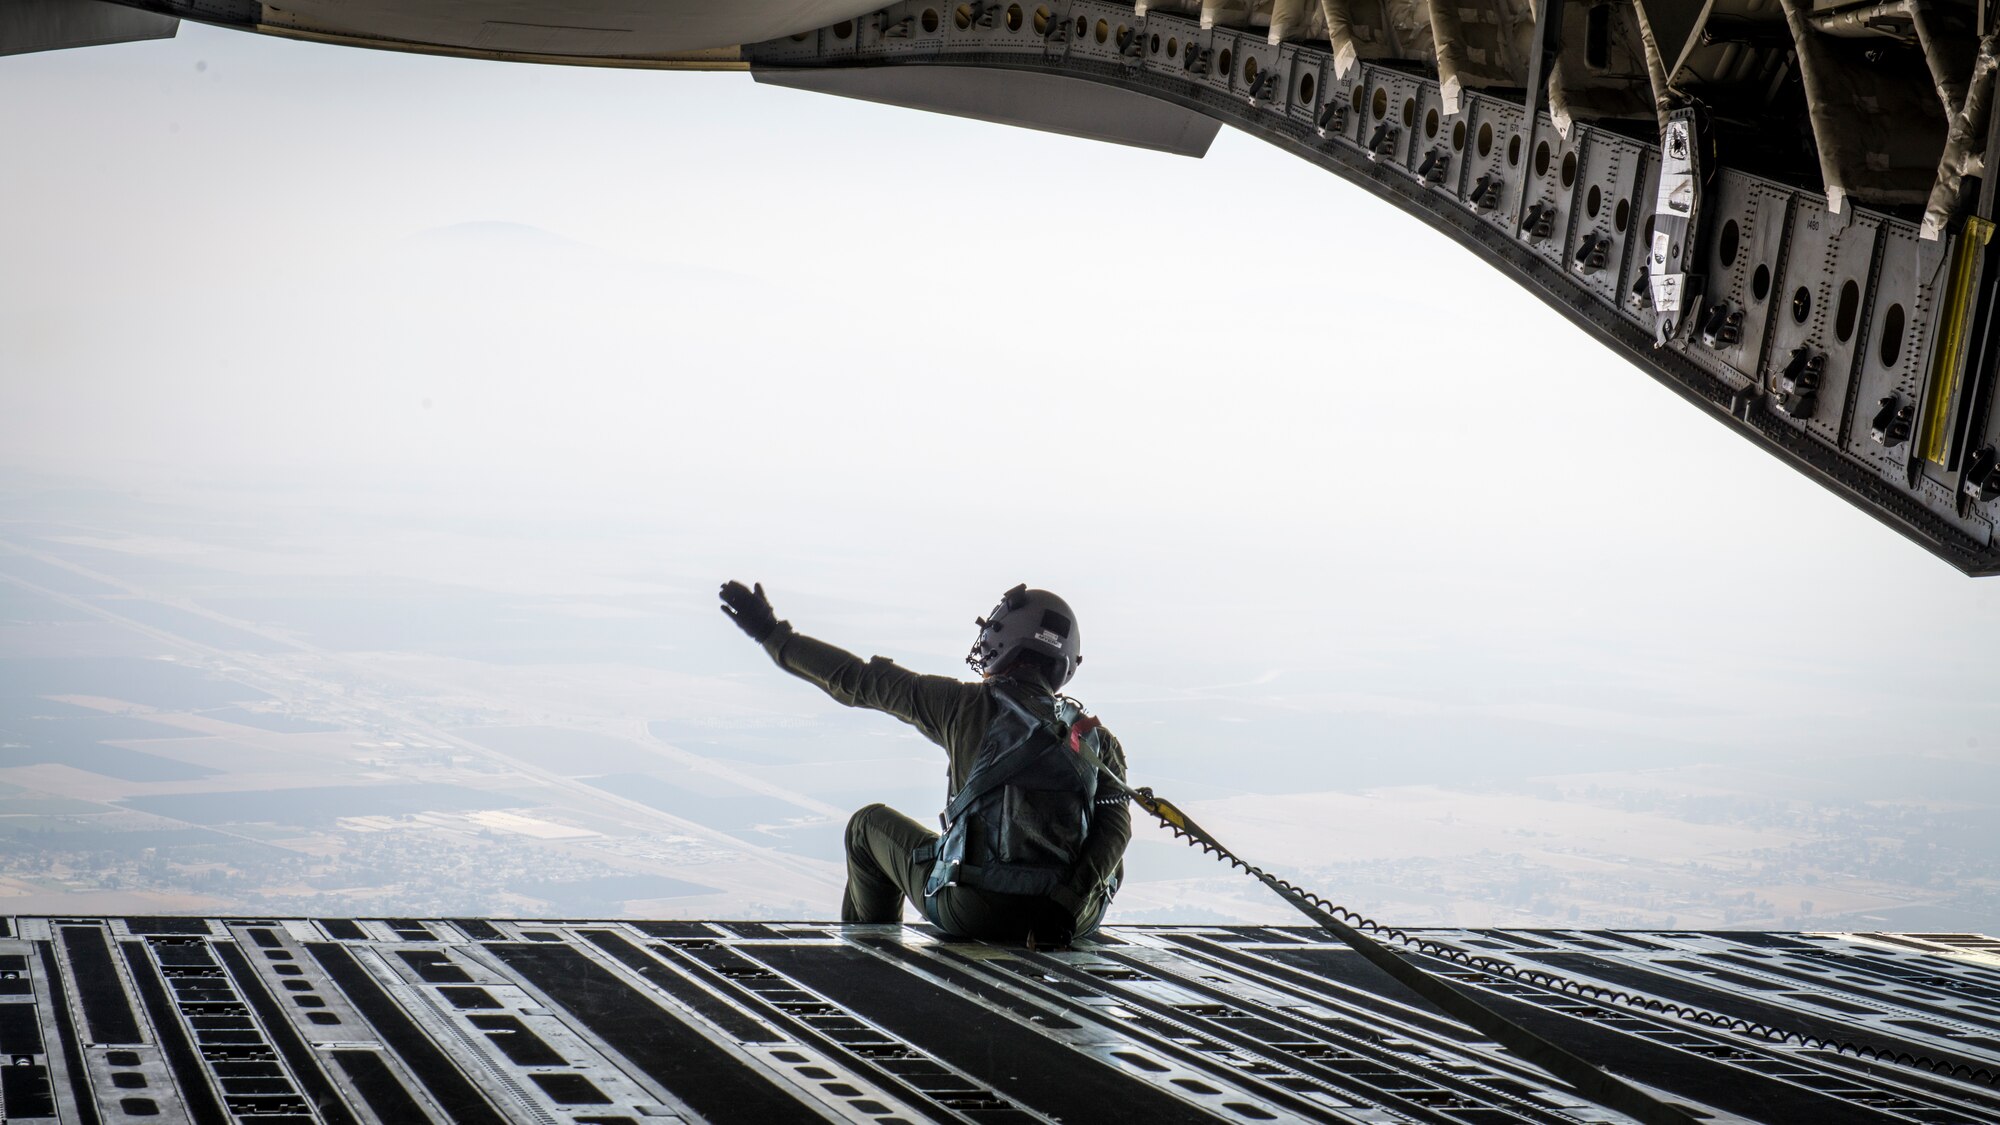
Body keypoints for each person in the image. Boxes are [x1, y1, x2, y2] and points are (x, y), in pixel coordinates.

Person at [719, 580, 1129, 945]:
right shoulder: (1097, 739)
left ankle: (868, 962)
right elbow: (1116, 829)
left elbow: (855, 680)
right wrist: (1067, 909)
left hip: (973, 910)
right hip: (1065, 922)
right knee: (1110, 842)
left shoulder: (959, 705)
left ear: (1002, 641)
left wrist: (772, 634)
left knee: (868, 825)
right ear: (1065, 662)